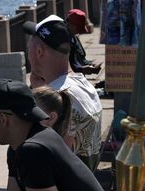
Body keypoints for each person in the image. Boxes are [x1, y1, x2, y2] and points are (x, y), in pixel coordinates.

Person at [24, 16, 103, 169]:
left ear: (39, 52)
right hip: (85, 185)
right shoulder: (85, 86)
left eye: (29, 50)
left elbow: (46, 160)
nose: (28, 55)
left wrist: (40, 96)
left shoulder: (57, 99)